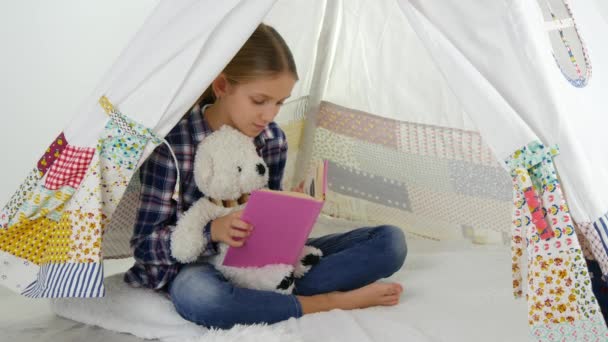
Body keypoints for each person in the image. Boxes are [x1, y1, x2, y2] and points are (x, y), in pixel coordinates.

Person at [125, 23, 407, 329]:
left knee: (390, 243)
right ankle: (326, 301)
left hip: (259, 261)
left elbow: (264, 216)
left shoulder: (272, 138)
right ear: (222, 86)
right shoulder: (173, 146)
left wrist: (293, 208)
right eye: (259, 101)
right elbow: (143, 244)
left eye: (279, 103)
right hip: (196, 268)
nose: (270, 115)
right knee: (203, 298)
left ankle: (262, 298)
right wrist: (212, 232)